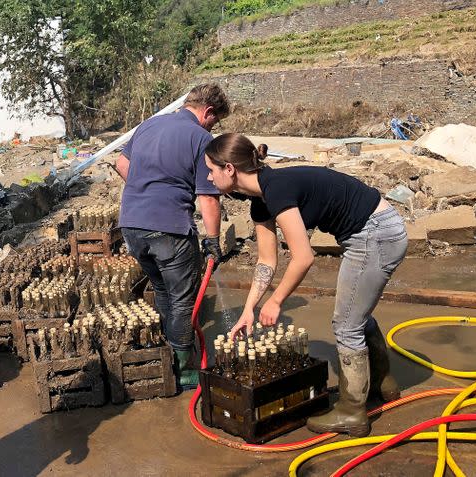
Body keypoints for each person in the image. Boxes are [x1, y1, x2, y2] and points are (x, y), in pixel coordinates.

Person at [205, 133, 407, 437]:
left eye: (211, 169)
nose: (208, 176)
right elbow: (266, 261)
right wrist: (249, 309)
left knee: (346, 324)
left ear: (229, 169)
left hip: (375, 233)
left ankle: (353, 413)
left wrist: (276, 301)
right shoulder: (260, 200)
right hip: (370, 232)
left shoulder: (277, 189)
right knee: (355, 313)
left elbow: (303, 257)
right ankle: (383, 384)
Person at [115, 83, 230, 387]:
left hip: (131, 224)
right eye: (214, 120)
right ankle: (185, 368)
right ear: (208, 112)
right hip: (168, 227)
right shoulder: (201, 137)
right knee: (183, 298)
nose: (212, 126)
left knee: (163, 290)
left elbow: (121, 163)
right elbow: (208, 197)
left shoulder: (149, 124)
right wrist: (213, 241)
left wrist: (146, 188)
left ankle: (168, 351)